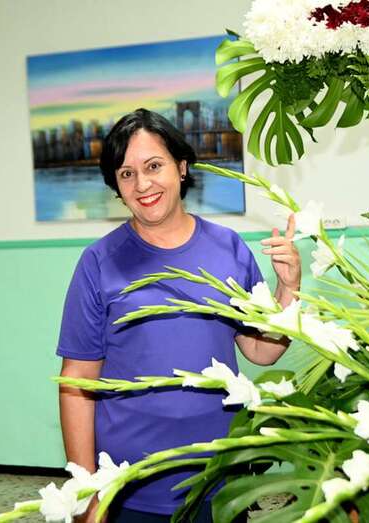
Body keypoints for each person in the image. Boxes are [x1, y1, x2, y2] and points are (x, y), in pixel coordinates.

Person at [56, 109, 301, 522]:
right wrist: (84, 487)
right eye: (127, 173)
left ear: (182, 167)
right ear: (116, 185)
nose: (142, 184)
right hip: (130, 486)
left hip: (218, 478)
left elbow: (262, 350)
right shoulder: (99, 262)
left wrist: (288, 287)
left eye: (154, 166)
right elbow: (77, 381)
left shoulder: (229, 248)